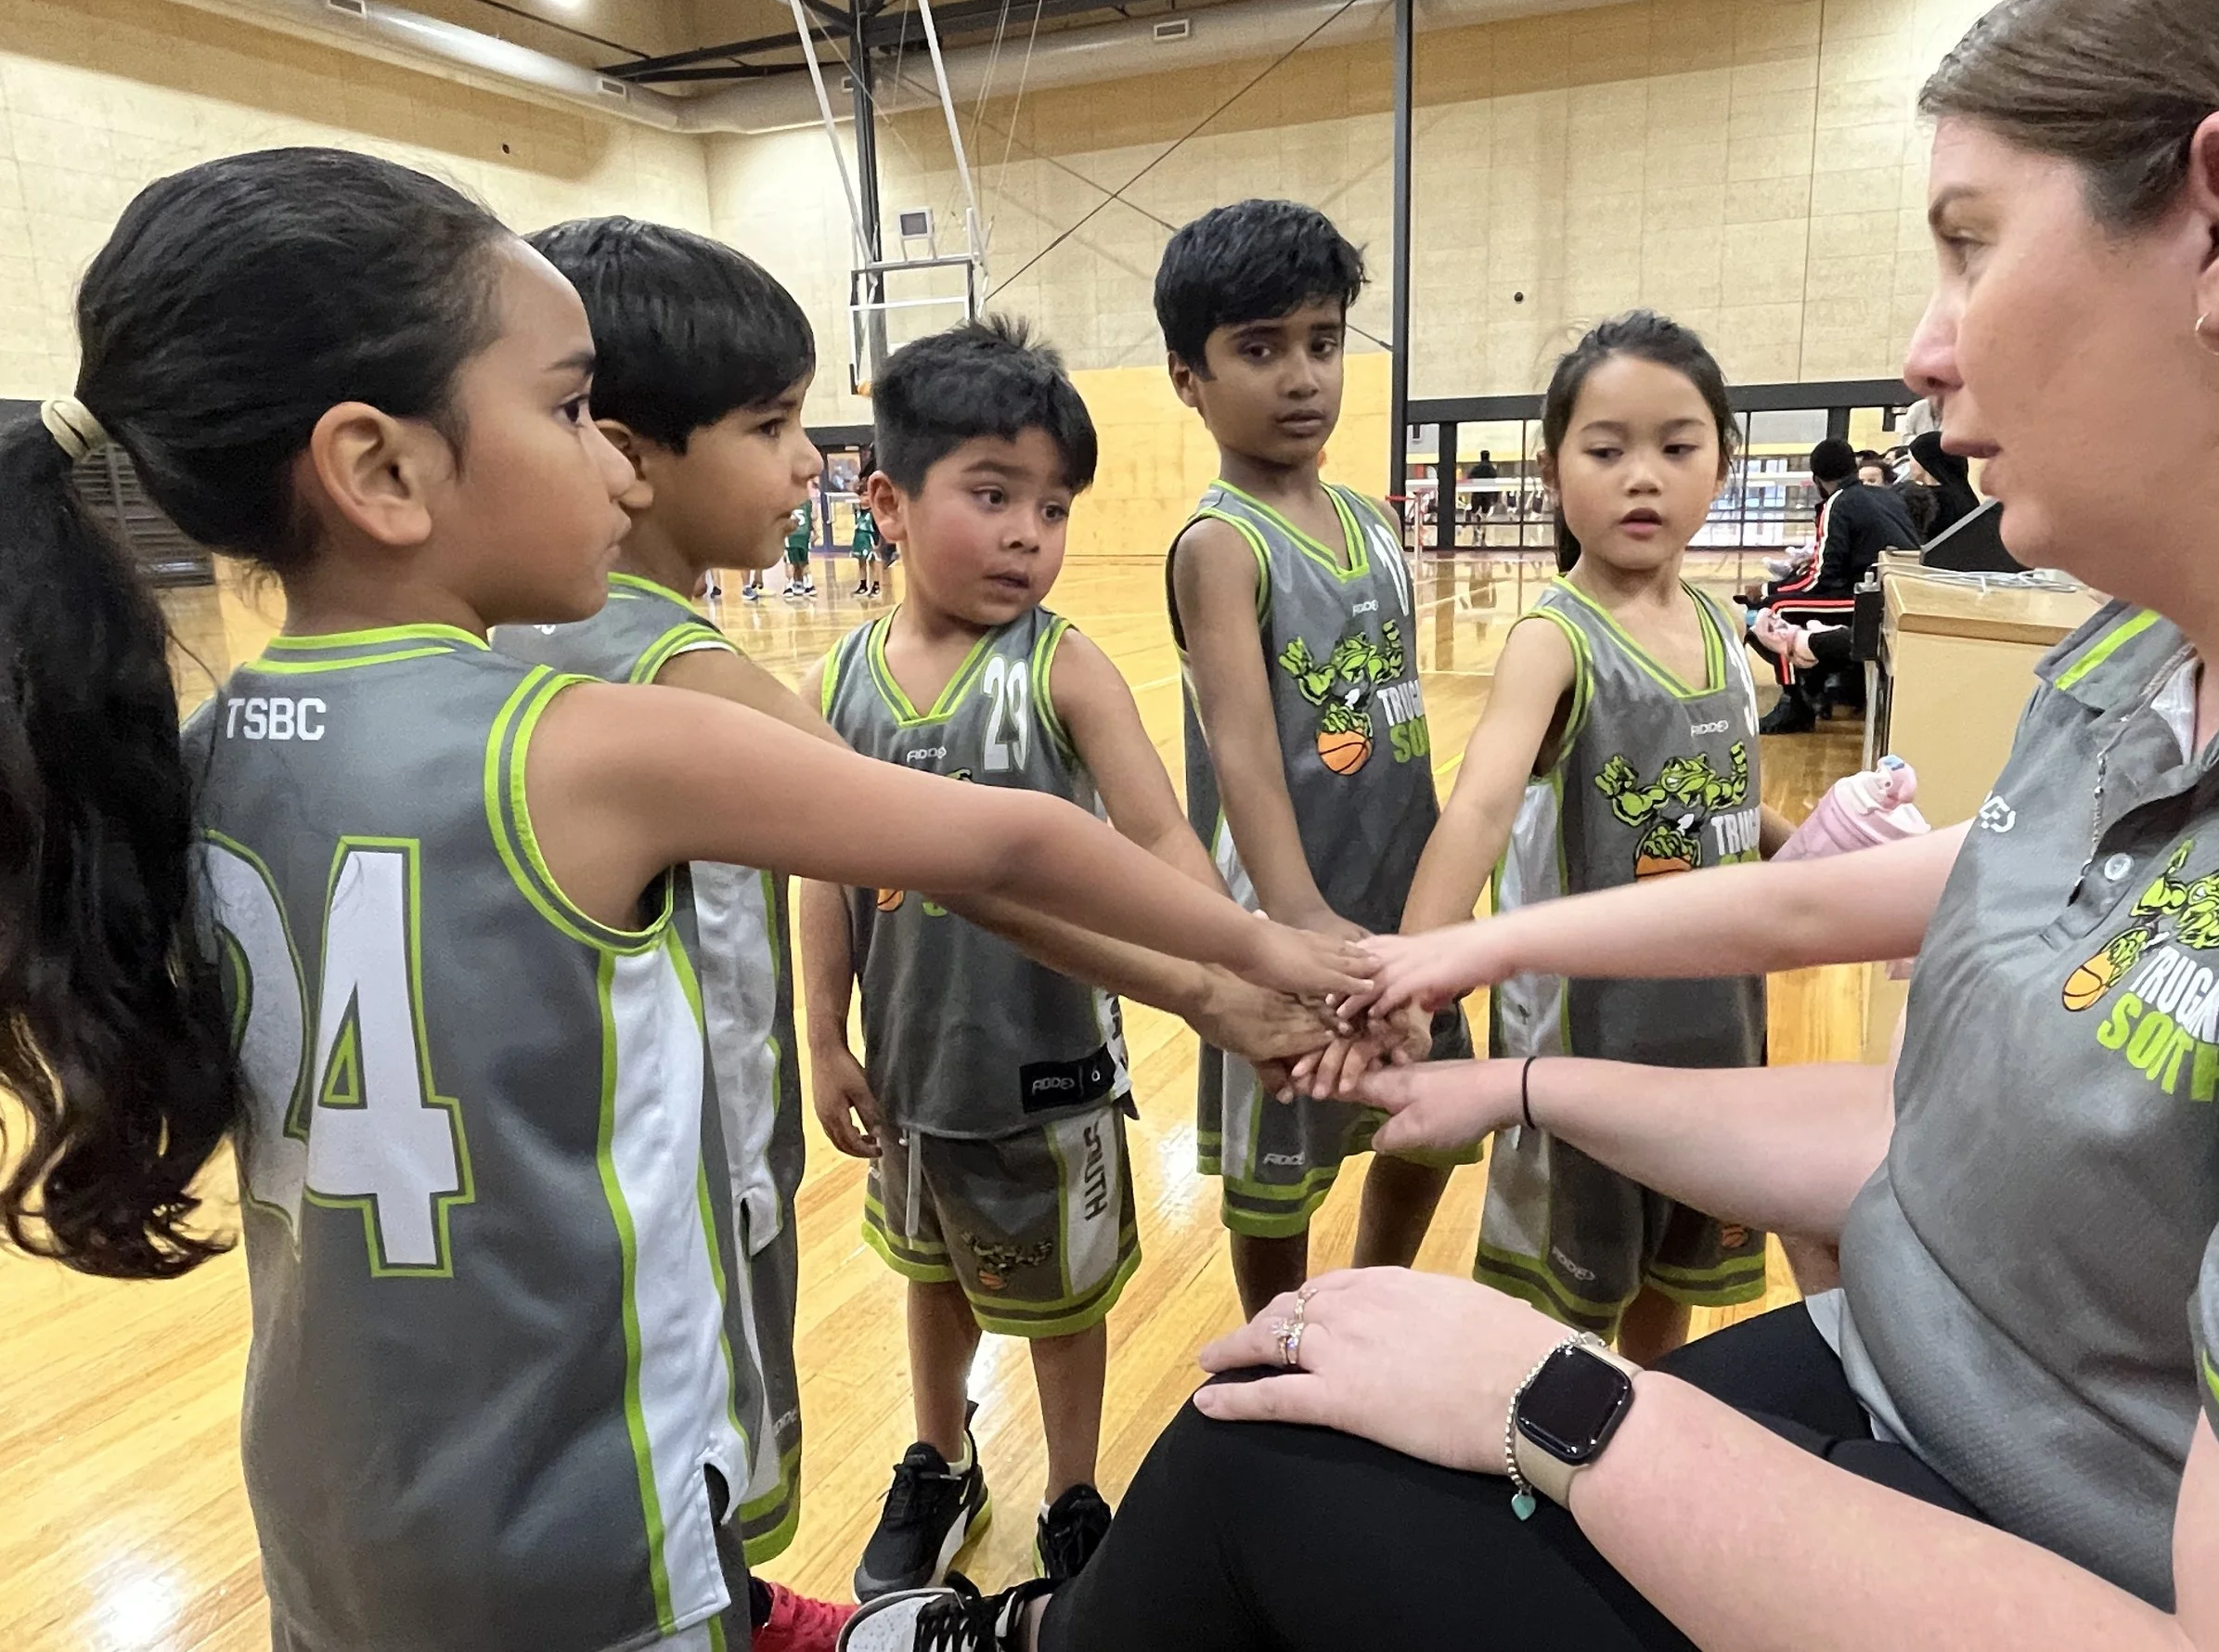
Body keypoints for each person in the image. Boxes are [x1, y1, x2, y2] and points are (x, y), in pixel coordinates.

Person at [837, 0, 2219, 1646]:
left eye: (1969, 247)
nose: (1922, 346)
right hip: (1871, 1366)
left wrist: (1565, 1409)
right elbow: (1929, 1130)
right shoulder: (2120, 670)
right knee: (1276, 1402)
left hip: (1981, 1514)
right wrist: (1466, 1002)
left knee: (1284, 1451)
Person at [0, 147, 1371, 1652]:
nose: (614, 459)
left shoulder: (191, 752)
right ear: (381, 469)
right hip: (567, 1509)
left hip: (332, 1507)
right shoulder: (582, 733)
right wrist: (1258, 949)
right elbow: (994, 847)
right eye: (571, 409)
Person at [805, 316, 1238, 1597]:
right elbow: (821, 872)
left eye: (1051, 507)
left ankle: (1071, 1489)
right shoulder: (842, 680)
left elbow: (1163, 836)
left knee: (1063, 1302)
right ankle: (939, 1459)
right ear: (886, 500)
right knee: (928, 1272)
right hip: (912, 1076)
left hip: (1053, 1078)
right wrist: (823, 1032)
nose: (1025, 534)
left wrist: (1247, 966)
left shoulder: (1066, 669)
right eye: (991, 495)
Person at [490, 214, 843, 1648]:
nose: (812, 461)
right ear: (629, 454)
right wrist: (1233, 967)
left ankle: (735, 1600)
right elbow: (955, 846)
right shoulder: (672, 674)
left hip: (574, 1177)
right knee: (688, 1424)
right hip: (672, 1164)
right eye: (773, 424)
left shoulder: (496, 644)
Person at [1392, 312, 1791, 1368]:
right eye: (1605, 450)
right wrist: (1414, 974)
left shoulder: (1715, 627)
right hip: (1583, 1053)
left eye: (1676, 446)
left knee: (1673, 1286)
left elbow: (1715, 803)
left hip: (1718, 1040)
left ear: (1723, 462)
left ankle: (1647, 1453)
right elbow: (1477, 806)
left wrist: (1812, 844)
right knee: (1564, 1325)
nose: (1642, 477)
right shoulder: (1553, 639)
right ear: (1553, 468)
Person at [1155, 198, 1472, 1320]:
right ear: (1188, 377)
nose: (1301, 377)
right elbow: (1239, 746)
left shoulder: (1372, 520)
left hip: (1399, 887)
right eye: (1258, 349)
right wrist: (1289, 914)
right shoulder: (1220, 544)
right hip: (1292, 898)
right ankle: (1280, 1334)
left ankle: (1376, 1303)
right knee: (1278, 1164)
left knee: (1429, 1117)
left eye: (1322, 342)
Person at [1748, 436, 1918, 734]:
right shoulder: (1886, 495)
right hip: (1898, 592)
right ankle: (1811, 683)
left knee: (1773, 610)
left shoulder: (1838, 502)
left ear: (1816, 479)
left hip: (1869, 597)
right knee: (1784, 600)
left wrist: (1766, 592)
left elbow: (1823, 578)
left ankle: (1794, 705)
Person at [851, 494, 884, 598]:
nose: (862, 499)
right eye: (860, 496)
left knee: (873, 562)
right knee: (861, 562)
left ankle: (876, 586)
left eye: (865, 496)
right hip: (859, 537)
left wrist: (878, 543)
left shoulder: (874, 512)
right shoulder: (857, 511)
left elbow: (878, 529)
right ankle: (863, 585)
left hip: (869, 538)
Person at [782, 501, 816, 598]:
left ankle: (790, 585)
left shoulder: (785, 503)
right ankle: (809, 585)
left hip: (791, 535)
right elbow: (813, 517)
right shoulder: (807, 502)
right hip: (804, 534)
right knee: (805, 561)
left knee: (790, 561)